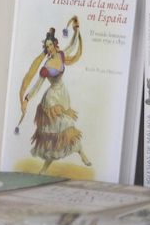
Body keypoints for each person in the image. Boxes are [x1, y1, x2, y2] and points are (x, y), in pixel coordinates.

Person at [18, 20, 94, 175]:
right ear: (45, 49)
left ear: (55, 45)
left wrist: (76, 30)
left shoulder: (61, 55)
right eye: (46, 46)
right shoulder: (46, 67)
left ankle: (80, 154)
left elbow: (72, 46)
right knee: (56, 134)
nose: (49, 48)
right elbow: (38, 85)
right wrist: (27, 99)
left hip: (63, 96)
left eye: (50, 45)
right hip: (52, 101)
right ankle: (47, 167)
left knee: (67, 130)